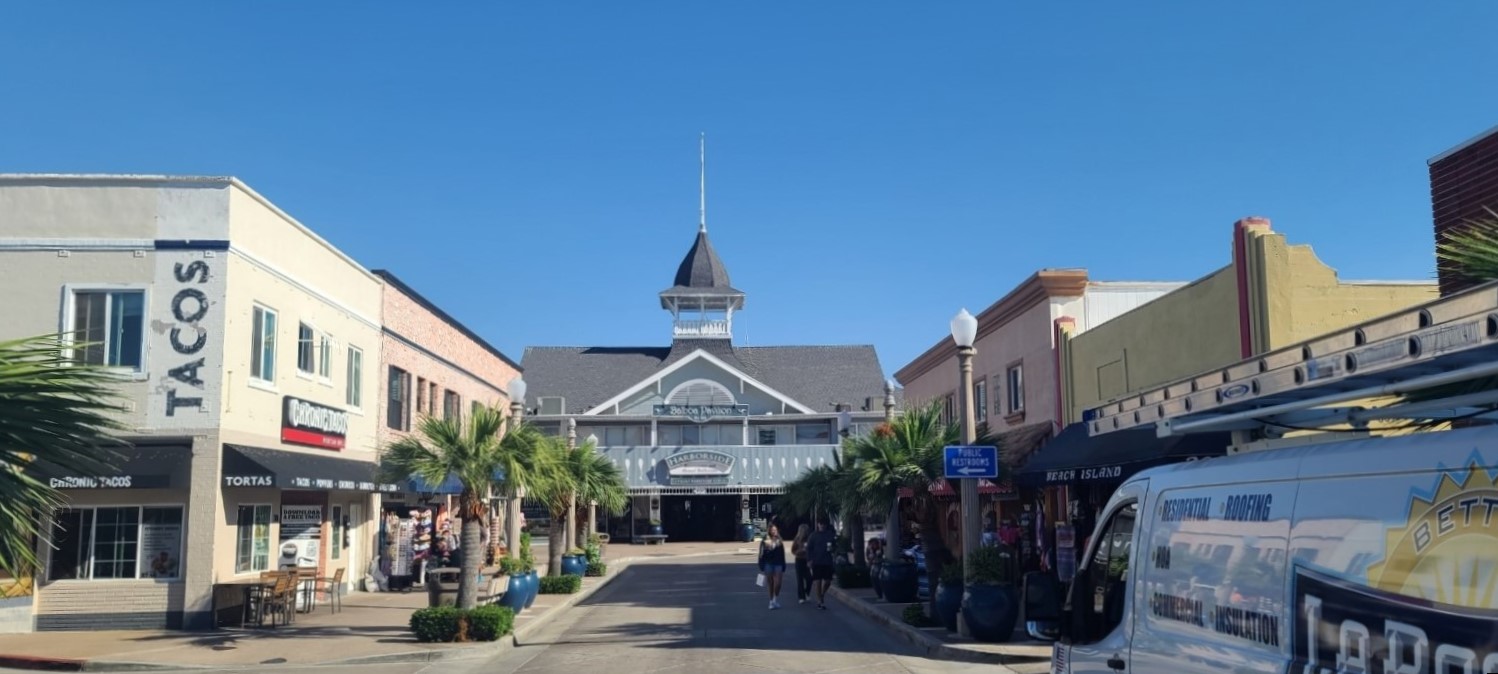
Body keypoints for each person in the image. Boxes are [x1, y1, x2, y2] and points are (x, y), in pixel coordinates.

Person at [807, 519, 837, 610]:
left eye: (824, 524)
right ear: (818, 524)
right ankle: (820, 600)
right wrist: (809, 560)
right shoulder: (813, 535)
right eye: (821, 524)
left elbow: (835, 546)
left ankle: (822, 594)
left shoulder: (830, 535)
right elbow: (809, 548)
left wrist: (833, 549)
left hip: (827, 561)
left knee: (827, 581)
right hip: (816, 561)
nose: (822, 526)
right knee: (817, 581)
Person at [757, 524, 787, 609]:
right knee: (770, 584)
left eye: (775, 530)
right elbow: (761, 554)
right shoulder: (765, 540)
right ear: (769, 531)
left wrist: (784, 564)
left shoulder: (779, 540)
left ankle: (775, 599)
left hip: (778, 563)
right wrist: (761, 565)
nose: (774, 531)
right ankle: (771, 601)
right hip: (768, 563)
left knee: (778, 583)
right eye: (772, 530)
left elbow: (782, 554)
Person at [790, 524, 812, 604]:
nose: (805, 532)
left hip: (807, 560)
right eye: (804, 530)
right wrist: (799, 551)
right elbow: (793, 550)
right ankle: (801, 597)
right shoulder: (797, 539)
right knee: (800, 579)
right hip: (799, 560)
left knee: (809, 578)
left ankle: (806, 592)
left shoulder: (809, 539)